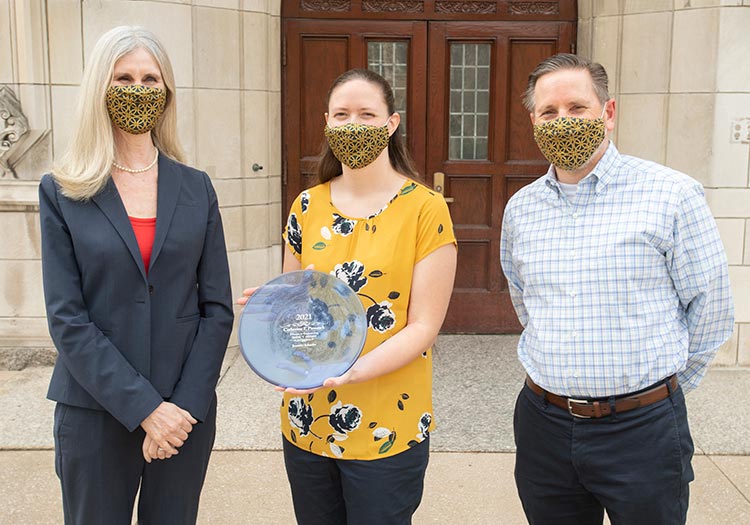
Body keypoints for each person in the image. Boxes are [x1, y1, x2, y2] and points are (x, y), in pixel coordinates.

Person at [500, 53, 734, 525]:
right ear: (534, 122)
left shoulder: (672, 195)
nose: (563, 121)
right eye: (549, 112)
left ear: (607, 113)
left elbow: (711, 309)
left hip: (642, 432)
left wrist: (657, 392)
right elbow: (526, 300)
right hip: (544, 426)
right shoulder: (521, 209)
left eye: (577, 108)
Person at [239, 68, 457, 524]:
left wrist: (353, 372)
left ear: (391, 124)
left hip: (387, 423)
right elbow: (297, 309)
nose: (353, 124)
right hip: (308, 418)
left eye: (366, 114)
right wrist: (271, 306)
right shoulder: (306, 205)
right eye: (341, 115)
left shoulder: (425, 209)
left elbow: (424, 326)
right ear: (326, 123)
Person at [39, 26, 233, 524]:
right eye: (123, 79)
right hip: (95, 412)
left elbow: (217, 310)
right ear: (100, 90)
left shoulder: (196, 188)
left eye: (150, 79)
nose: (138, 91)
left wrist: (182, 408)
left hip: (184, 416)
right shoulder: (62, 191)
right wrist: (147, 408)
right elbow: (68, 319)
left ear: (166, 92)